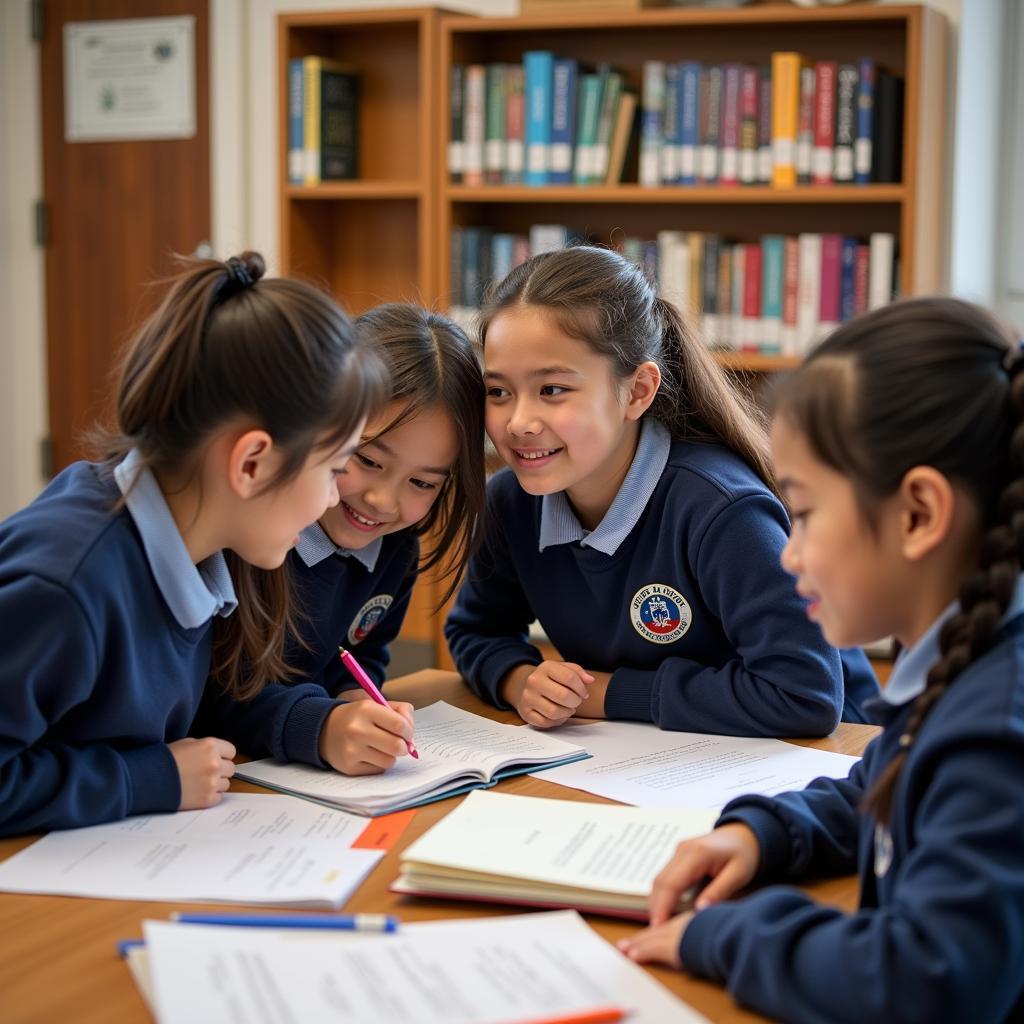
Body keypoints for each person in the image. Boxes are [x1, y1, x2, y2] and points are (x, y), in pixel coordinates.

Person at [619, 297, 1024, 1022]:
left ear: (918, 514)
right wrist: (762, 834)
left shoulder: (995, 728)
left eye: (803, 513)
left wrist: (726, 935)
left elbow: (924, 980)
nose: (790, 553)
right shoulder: (967, 657)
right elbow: (881, 788)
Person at [0, 251, 403, 836]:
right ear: (252, 463)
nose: (331, 501)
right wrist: (148, 779)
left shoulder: (205, 549)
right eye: (334, 468)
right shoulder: (67, 585)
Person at [445, 245, 877, 736]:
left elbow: (806, 693)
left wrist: (603, 694)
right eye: (499, 392)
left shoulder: (721, 510)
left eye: (552, 390)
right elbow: (475, 629)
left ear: (637, 392)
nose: (518, 423)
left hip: (828, 763)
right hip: (644, 761)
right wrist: (518, 681)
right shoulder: (512, 502)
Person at [282, 303, 485, 771]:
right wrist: (318, 725)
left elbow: (361, 653)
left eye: (423, 483)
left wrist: (359, 698)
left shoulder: (396, 547)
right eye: (369, 461)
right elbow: (215, 693)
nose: (382, 501)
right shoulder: (261, 535)